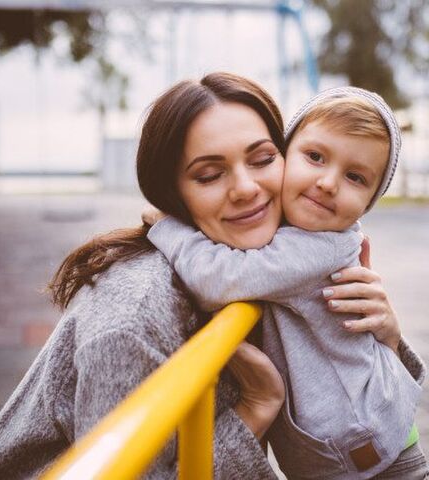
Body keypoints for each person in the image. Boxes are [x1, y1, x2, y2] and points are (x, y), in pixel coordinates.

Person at [0, 74, 417, 480]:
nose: (246, 188)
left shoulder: (281, 256)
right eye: (210, 174)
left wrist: (387, 336)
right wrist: (253, 410)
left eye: (261, 159)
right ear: (170, 190)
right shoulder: (133, 318)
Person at [143, 87, 428, 479]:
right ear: (286, 153)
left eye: (355, 177)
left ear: (367, 205)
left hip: (368, 458)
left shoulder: (316, 247)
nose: (328, 182)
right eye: (314, 157)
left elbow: (220, 279)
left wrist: (168, 228)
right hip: (374, 432)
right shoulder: (297, 231)